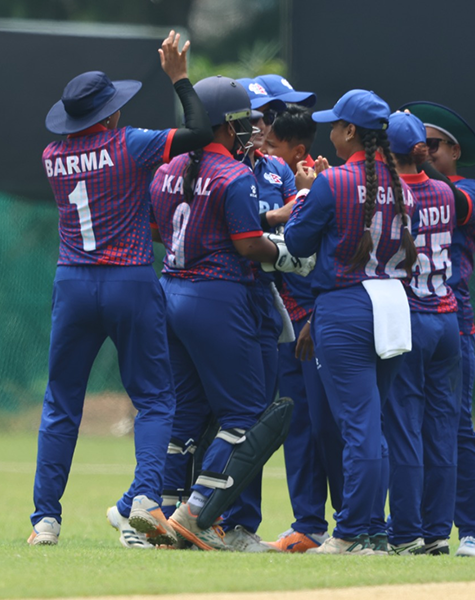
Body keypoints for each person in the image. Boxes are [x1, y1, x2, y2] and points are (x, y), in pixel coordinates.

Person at [30, 31, 213, 548]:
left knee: (61, 402)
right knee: (156, 399)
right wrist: (179, 77)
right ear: (109, 114)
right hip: (128, 278)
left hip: (73, 282)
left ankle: (45, 520)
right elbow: (200, 131)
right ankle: (144, 505)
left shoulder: (51, 155)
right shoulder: (129, 143)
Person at [149, 75, 306, 551]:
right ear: (225, 124)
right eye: (244, 122)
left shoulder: (166, 168)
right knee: (244, 415)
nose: (251, 130)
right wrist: (289, 255)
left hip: (169, 290)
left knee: (186, 415)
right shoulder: (235, 174)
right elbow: (247, 244)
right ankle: (193, 513)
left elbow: (158, 229)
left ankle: (165, 511)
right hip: (216, 296)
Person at [284, 89, 417, 555]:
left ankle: (349, 533)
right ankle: (374, 532)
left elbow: (297, 242)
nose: (331, 130)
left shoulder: (334, 181)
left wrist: (304, 192)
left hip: (346, 304)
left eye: (337, 125)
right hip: (394, 304)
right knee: (371, 423)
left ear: (352, 132)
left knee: (357, 426)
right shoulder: (400, 184)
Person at [400, 100, 475, 557]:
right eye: (415, 144)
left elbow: (454, 203)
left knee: (456, 428)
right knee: (405, 426)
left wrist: (411, 163)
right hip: (401, 320)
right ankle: (416, 530)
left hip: (453, 321)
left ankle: (474, 529)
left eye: (430, 145)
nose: (423, 152)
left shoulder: (470, 188)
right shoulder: (399, 186)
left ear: (454, 150)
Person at [261, 105, 343, 553]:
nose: (262, 149)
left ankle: (355, 524)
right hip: (286, 324)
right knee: (298, 425)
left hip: (320, 320)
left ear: (298, 151)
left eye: (271, 144)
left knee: (331, 426)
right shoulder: (273, 184)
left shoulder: (326, 188)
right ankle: (308, 525)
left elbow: (318, 257)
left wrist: (287, 211)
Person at [384, 111, 460, 556]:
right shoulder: (445, 192)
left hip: (408, 314)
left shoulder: (391, 194)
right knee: (441, 428)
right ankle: (436, 532)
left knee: (404, 426)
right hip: (447, 316)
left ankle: (407, 532)